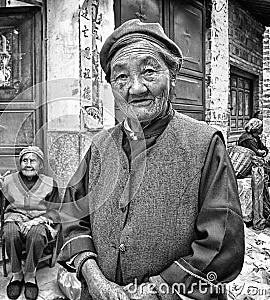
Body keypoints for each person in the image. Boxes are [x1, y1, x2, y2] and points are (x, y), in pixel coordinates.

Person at [58, 19, 245, 300]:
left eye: (149, 72)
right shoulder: (100, 146)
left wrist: (155, 291)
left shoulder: (205, 144)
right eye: (121, 77)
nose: (135, 88)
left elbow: (222, 244)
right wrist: (92, 276)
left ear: (172, 75)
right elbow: (72, 214)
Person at [0, 146, 60, 300]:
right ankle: (17, 274)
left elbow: (55, 211)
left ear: (40, 165)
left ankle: (30, 275)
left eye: (33, 161)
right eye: (24, 160)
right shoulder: (8, 180)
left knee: (37, 235)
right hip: (14, 217)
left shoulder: (50, 183)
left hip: (40, 219)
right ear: (20, 164)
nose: (28, 164)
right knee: (10, 233)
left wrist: (36, 221)